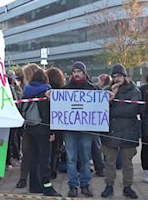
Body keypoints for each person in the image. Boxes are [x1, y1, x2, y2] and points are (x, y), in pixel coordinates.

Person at [99, 64, 140, 199]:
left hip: (128, 131)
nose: (117, 79)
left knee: (127, 163)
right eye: (114, 76)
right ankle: (109, 185)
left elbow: (132, 110)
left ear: (125, 76)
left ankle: (127, 186)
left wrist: (113, 110)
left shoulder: (134, 90)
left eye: (119, 76)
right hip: (110, 131)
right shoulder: (107, 90)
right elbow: (100, 110)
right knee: (109, 162)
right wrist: (112, 98)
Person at [21, 68, 62, 197]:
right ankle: (47, 186)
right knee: (45, 159)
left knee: (34, 158)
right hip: (43, 129)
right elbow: (46, 114)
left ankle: (34, 186)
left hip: (30, 128)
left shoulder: (26, 91)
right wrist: (51, 131)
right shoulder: (45, 92)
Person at [62, 61, 98, 197]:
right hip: (70, 129)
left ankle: (85, 185)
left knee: (85, 158)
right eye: (75, 72)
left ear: (84, 73)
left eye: (79, 72)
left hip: (87, 129)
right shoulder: (65, 89)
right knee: (71, 158)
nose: (77, 74)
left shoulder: (93, 88)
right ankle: (72, 186)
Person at [16, 63, 41, 190]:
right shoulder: (44, 88)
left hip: (30, 125)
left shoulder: (28, 90)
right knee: (31, 154)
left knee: (27, 153)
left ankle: (23, 179)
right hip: (35, 125)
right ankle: (32, 179)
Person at [45, 67, 66, 179]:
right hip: (60, 124)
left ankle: (48, 170)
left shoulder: (47, 92)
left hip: (48, 124)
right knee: (56, 149)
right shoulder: (63, 91)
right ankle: (54, 169)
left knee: (47, 150)